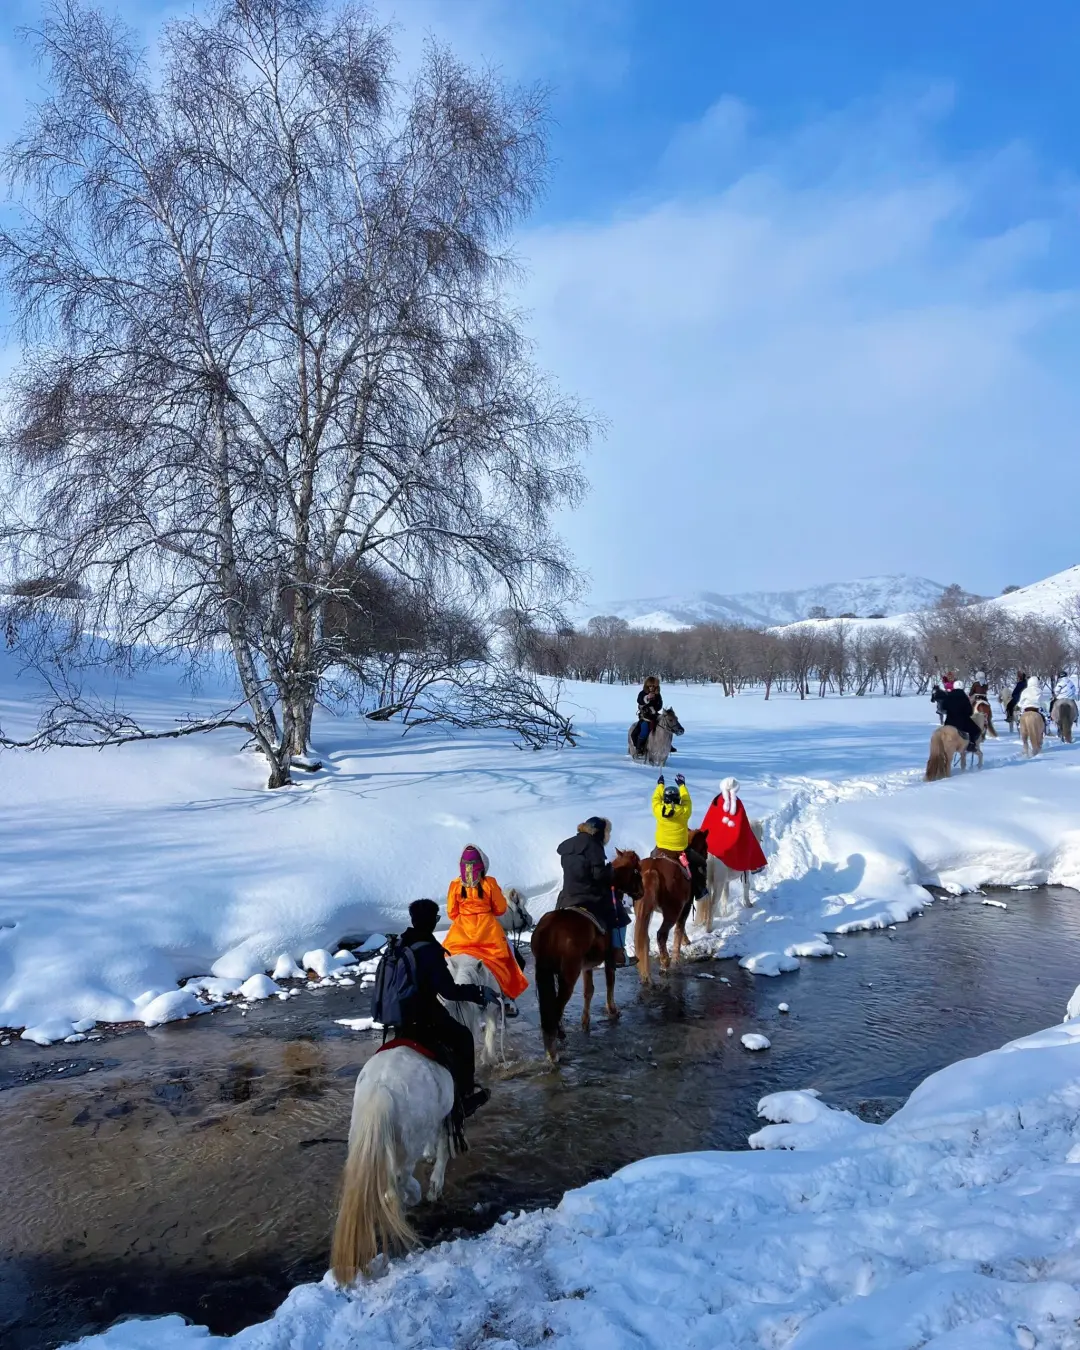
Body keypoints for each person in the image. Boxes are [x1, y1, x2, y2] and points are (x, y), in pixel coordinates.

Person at [393, 899, 494, 1117]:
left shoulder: (399, 944)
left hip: (398, 1019)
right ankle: (466, 1097)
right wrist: (478, 993)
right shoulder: (429, 950)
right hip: (424, 1019)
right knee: (464, 1038)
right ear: (431, 921)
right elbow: (449, 992)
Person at [443, 846, 529, 1009]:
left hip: (460, 935)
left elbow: (451, 912)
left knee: (443, 960)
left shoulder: (454, 885)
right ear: (482, 865)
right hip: (488, 934)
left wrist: (465, 915)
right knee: (511, 960)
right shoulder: (490, 883)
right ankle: (507, 998)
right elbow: (501, 909)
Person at [555, 817, 631, 966]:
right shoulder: (594, 845)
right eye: (607, 832)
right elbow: (598, 875)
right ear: (600, 832)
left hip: (567, 895)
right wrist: (610, 871)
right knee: (619, 914)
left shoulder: (569, 844)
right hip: (589, 895)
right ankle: (618, 953)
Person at [650, 773, 707, 899]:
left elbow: (655, 799)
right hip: (680, 850)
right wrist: (682, 785)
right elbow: (687, 800)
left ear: (664, 799)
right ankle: (700, 891)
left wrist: (660, 785)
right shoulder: (685, 811)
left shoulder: (659, 810)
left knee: (650, 858)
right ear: (678, 799)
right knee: (700, 863)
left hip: (661, 848)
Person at [699, 777, 767, 875]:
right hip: (733, 836)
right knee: (749, 838)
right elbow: (742, 821)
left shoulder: (717, 799)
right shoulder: (737, 802)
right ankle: (754, 866)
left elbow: (710, 818)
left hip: (715, 838)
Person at [936, 684, 984, 754]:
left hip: (949, 722)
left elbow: (943, 708)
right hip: (962, 723)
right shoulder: (964, 697)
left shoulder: (948, 696)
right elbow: (970, 712)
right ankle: (971, 745)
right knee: (976, 731)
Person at [634, 676, 664, 756]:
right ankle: (639, 748)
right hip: (645, 716)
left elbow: (660, 705)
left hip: (655, 715)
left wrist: (655, 707)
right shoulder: (642, 693)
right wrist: (647, 698)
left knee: (666, 725)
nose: (651, 688)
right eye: (649, 686)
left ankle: (666, 745)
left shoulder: (658, 695)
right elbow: (639, 700)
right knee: (644, 730)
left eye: (653, 686)